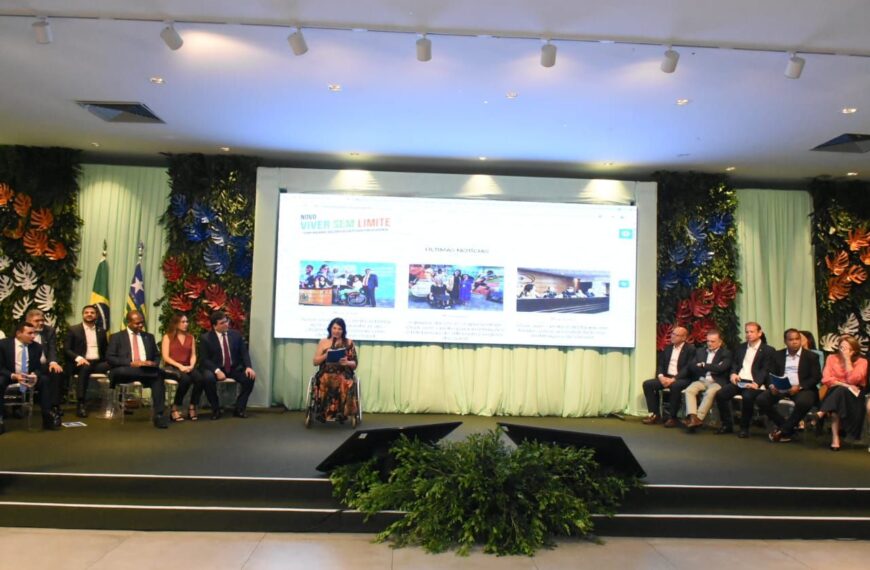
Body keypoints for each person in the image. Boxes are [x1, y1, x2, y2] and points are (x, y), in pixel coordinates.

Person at [106, 311, 168, 429]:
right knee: (158, 374)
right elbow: (110, 358)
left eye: (142, 323)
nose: (141, 325)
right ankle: (162, 373)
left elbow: (156, 355)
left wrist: (153, 363)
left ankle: (159, 415)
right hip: (126, 371)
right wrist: (131, 363)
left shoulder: (149, 337)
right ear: (128, 323)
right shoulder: (117, 337)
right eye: (137, 323)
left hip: (147, 373)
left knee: (158, 380)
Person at [758, 328, 821, 443]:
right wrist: (772, 385)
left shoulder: (811, 356)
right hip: (781, 387)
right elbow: (769, 373)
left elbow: (816, 377)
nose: (795, 342)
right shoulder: (778, 355)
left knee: (804, 402)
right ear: (785, 341)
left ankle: (783, 430)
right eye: (791, 340)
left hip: (802, 388)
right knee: (761, 399)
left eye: (797, 339)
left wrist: (799, 386)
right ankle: (787, 428)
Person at [715, 322, 776, 438]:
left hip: (755, 383)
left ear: (759, 333)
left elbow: (766, 369)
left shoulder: (768, 350)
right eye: (747, 332)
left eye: (752, 332)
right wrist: (733, 374)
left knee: (748, 397)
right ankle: (727, 425)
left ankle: (744, 428)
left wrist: (756, 383)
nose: (748, 334)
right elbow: (735, 363)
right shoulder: (741, 347)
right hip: (740, 380)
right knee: (721, 394)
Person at [0, 321, 60, 433]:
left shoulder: (37, 347)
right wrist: (14, 375)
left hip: (29, 375)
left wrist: (35, 374)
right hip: (9, 375)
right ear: (19, 333)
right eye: (30, 333)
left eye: (34, 333)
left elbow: (41, 367)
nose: (33, 336)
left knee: (45, 380)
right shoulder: (3, 345)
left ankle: (47, 415)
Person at [814, 335, 868, 451]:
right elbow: (826, 379)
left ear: (853, 350)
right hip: (836, 390)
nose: (842, 350)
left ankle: (821, 413)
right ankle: (834, 437)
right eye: (841, 347)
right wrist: (845, 385)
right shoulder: (831, 358)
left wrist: (847, 360)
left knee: (838, 396)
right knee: (839, 393)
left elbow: (854, 380)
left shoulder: (862, 361)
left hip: (855, 394)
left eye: (846, 348)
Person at [199, 311, 256, 418]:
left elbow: (244, 352)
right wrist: (217, 370)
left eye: (226, 321)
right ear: (215, 326)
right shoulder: (206, 338)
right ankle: (215, 409)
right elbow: (204, 359)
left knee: (249, 378)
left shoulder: (235, 335)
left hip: (233, 368)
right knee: (208, 379)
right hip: (215, 368)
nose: (226, 324)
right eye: (222, 323)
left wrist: (248, 367)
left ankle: (239, 408)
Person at [641, 326, 695, 426]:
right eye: (672, 334)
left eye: (676, 335)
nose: (672, 336)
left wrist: (674, 379)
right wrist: (661, 377)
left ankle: (672, 417)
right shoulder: (668, 348)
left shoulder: (690, 349)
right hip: (666, 377)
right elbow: (661, 364)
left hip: (682, 378)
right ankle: (655, 414)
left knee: (675, 386)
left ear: (684, 338)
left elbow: (688, 368)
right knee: (648, 384)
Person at [161, 313, 208, 422]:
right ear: (176, 323)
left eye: (187, 321)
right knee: (185, 380)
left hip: (187, 366)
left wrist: (191, 366)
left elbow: (193, 355)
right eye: (183, 322)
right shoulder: (167, 337)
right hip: (172, 367)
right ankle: (175, 407)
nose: (186, 324)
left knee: (200, 379)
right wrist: (180, 366)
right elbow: (165, 357)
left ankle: (192, 406)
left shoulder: (190, 337)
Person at [65, 304, 110, 418]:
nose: (89, 314)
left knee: (115, 366)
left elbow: (105, 350)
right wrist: (79, 358)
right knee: (85, 368)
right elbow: (66, 349)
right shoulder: (73, 329)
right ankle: (81, 403)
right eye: (86, 312)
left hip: (97, 363)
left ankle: (115, 402)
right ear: (83, 315)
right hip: (80, 363)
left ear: (96, 315)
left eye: (92, 312)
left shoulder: (101, 331)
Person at [683, 329, 732, 432]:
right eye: (708, 341)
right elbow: (692, 366)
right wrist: (712, 367)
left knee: (710, 392)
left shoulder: (726, 353)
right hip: (702, 379)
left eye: (713, 341)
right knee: (689, 390)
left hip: (717, 381)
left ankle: (699, 418)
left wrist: (704, 365)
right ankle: (693, 417)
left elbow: (721, 368)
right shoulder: (700, 351)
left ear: (720, 342)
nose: (709, 343)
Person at [312, 317, 358, 421]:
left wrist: (347, 362)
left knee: (344, 381)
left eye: (339, 329)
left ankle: (341, 413)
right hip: (326, 371)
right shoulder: (323, 342)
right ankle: (322, 412)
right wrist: (325, 356)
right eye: (334, 328)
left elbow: (355, 363)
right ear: (330, 329)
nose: (336, 331)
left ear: (343, 330)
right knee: (325, 379)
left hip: (343, 372)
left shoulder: (349, 342)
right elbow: (315, 362)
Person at [25, 308, 63, 419]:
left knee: (57, 372)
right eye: (37, 321)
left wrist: (53, 362)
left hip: (44, 364)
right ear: (28, 321)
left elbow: (52, 348)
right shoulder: (22, 330)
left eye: (42, 320)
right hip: (28, 365)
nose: (41, 323)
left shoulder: (49, 330)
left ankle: (54, 405)